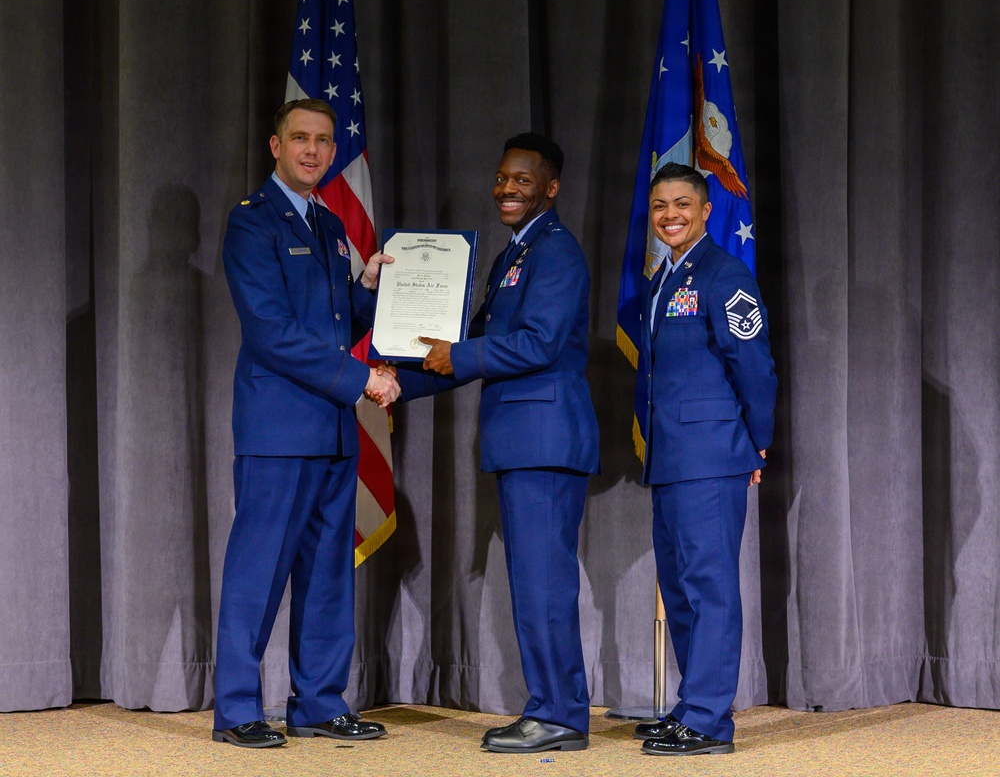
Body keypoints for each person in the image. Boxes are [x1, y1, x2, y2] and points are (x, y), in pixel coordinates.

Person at [396, 132, 600, 754]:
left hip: (545, 439)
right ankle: (549, 708)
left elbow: (536, 343)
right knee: (533, 581)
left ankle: (560, 716)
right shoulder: (516, 254)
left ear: (551, 187)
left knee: (543, 584)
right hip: (523, 440)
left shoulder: (556, 253)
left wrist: (457, 354)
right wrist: (389, 383)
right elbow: (466, 348)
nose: (508, 189)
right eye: (502, 177)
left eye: (523, 180)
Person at [213, 98, 399, 748]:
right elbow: (273, 334)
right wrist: (363, 380)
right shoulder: (251, 223)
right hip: (278, 427)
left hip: (332, 429)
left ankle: (319, 702)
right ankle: (238, 709)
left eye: (323, 140)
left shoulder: (326, 223)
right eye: (300, 139)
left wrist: (370, 287)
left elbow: (334, 320)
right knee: (258, 569)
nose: (314, 151)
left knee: (326, 574)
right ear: (275, 146)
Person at [632, 162, 776, 756]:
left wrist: (756, 442)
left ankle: (712, 720)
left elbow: (755, 367)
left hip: (711, 455)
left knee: (710, 587)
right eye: (661, 205)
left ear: (707, 210)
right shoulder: (662, 278)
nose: (671, 215)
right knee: (682, 586)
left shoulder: (724, 273)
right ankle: (694, 705)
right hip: (671, 456)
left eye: (683, 204)